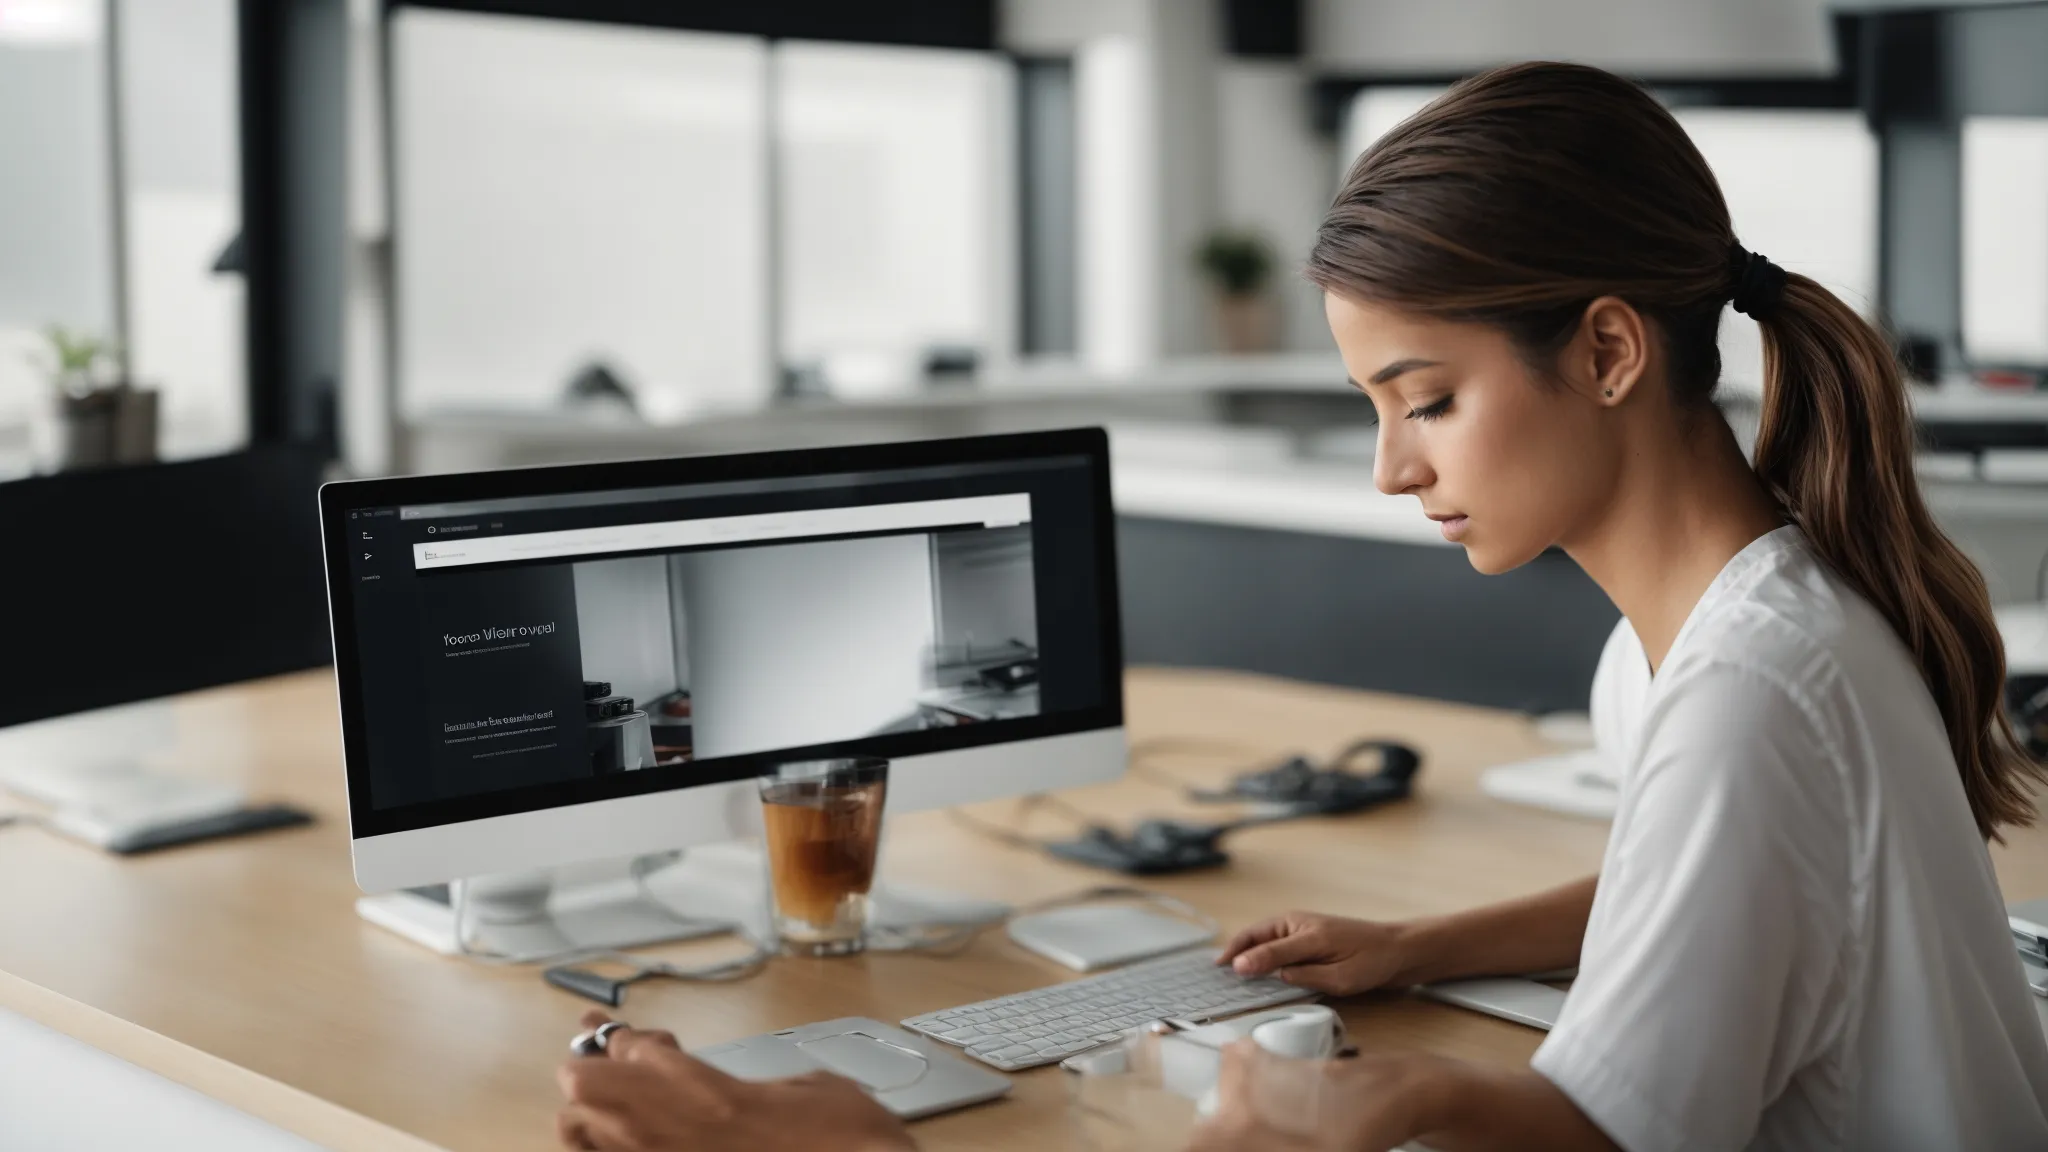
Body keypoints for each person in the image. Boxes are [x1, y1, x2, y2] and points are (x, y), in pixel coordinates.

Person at [554, 61, 2048, 1151]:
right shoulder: (1718, 635)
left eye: (1430, 402)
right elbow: (1716, 899)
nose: (1395, 468)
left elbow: (1603, 1136)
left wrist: (1404, 1095)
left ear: (1606, 352)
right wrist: (1424, 949)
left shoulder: (1750, 693)